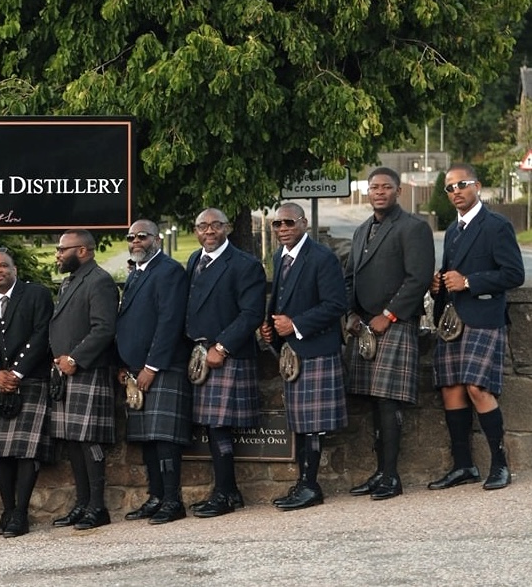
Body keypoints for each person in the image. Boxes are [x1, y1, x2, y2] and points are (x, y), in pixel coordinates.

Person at [428, 163, 525, 491]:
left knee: (477, 389)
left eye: (461, 185)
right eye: (450, 187)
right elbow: (450, 276)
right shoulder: (453, 230)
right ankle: (463, 466)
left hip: (484, 318)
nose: (455, 191)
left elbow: (514, 274)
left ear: (477, 186)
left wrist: (469, 281)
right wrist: (438, 285)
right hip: (452, 322)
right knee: (451, 389)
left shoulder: (496, 225)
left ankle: (500, 466)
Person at [344, 167, 434, 500]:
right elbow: (349, 277)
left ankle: (392, 476)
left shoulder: (413, 228)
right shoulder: (361, 231)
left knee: (388, 399)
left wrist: (389, 314)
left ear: (398, 191)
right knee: (372, 399)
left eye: (386, 187)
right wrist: (351, 315)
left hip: (394, 324)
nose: (379, 192)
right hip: (364, 325)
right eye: (374, 187)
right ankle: (379, 471)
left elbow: (419, 278)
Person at [260, 204, 348, 510]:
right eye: (277, 224)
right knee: (299, 422)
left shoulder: (322, 258)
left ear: (304, 223)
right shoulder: (279, 257)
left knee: (312, 423)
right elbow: (281, 301)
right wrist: (271, 326)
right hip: (294, 351)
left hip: (317, 348)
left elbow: (336, 304)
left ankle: (311, 487)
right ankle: (303, 483)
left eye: (288, 222)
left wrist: (295, 325)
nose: (282, 228)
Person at [185, 208, 265, 518]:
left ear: (227, 228)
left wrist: (222, 346)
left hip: (225, 354)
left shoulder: (245, 265)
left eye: (215, 225)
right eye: (202, 225)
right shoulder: (194, 260)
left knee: (219, 426)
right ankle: (229, 492)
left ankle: (225, 493)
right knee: (212, 426)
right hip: (198, 353)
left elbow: (251, 314)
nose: (209, 231)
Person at [0, 246, 54, 538]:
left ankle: (21, 514)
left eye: (3, 266)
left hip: (29, 382)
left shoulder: (36, 295)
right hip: (0, 386)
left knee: (25, 453)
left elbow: (41, 335)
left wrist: (16, 373)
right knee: (0, 454)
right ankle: (7, 510)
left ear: (14, 269)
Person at [116, 219, 192, 525]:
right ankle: (156, 496)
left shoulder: (169, 271)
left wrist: (151, 366)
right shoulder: (137, 273)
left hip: (162, 366)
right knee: (147, 438)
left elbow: (169, 322)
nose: (136, 241)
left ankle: (173, 501)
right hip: (136, 368)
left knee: (165, 438)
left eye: (142, 236)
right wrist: (124, 364)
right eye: (131, 237)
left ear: (157, 239)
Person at [49, 229, 119, 531]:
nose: (58, 255)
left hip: (87, 370)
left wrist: (75, 358)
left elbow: (103, 329)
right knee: (73, 442)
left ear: (82, 251)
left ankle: (97, 507)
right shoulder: (71, 282)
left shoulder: (99, 281)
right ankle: (81, 504)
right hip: (67, 371)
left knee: (90, 440)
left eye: (62, 249)